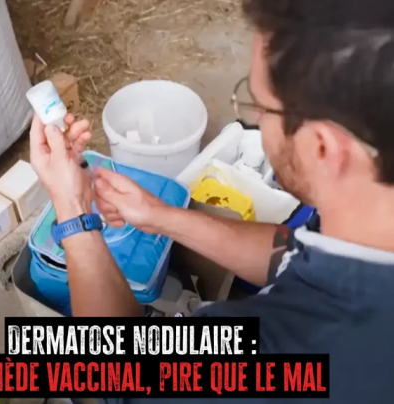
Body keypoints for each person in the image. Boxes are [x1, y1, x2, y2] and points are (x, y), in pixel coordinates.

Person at [29, 0, 394, 402]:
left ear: (323, 148)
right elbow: (297, 254)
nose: (257, 121)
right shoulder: (369, 215)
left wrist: (73, 210)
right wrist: (162, 216)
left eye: (261, 107)